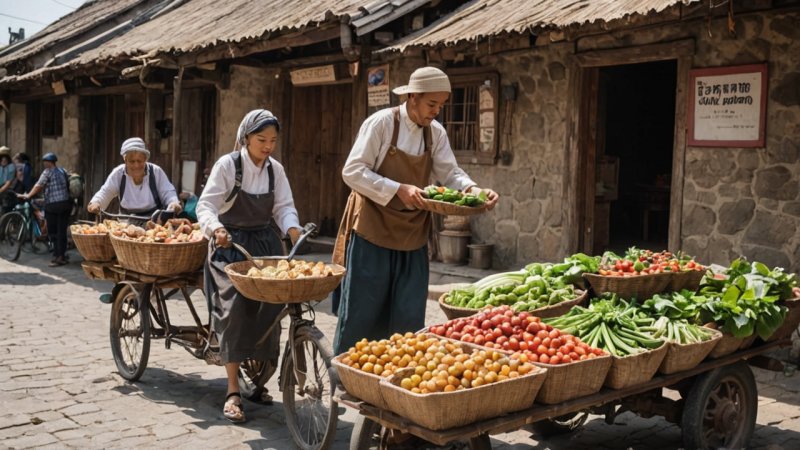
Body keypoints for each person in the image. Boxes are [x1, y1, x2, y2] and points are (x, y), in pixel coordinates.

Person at [332, 66, 499, 354]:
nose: (436, 111)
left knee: (408, 318)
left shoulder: (435, 133)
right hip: (373, 232)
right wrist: (398, 189)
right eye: (431, 104)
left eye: (441, 105)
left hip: (412, 235)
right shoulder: (382, 124)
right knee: (362, 313)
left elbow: (450, 173)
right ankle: (347, 379)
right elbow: (352, 171)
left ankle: (397, 382)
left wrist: (473, 190)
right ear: (412, 98)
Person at [197, 109, 303, 423]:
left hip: (264, 246)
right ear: (246, 138)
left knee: (272, 308)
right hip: (230, 246)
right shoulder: (229, 165)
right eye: (261, 140)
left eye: (272, 140)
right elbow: (206, 205)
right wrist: (215, 229)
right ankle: (232, 389)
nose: (268, 146)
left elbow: (284, 207)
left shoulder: (276, 170)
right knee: (235, 308)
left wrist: (292, 228)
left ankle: (259, 379)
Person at [87, 137, 182, 217]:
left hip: (153, 224)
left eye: (139, 161)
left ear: (145, 159)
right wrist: (96, 203)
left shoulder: (156, 172)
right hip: (125, 224)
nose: (136, 165)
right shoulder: (119, 174)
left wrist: (173, 203)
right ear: (125, 160)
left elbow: (168, 192)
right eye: (132, 161)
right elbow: (105, 192)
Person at [18, 153, 73, 266]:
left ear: (48, 162)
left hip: (53, 206)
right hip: (66, 204)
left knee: (53, 232)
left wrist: (28, 195)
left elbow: (39, 185)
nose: (44, 164)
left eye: (45, 162)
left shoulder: (47, 172)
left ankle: (59, 257)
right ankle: (61, 255)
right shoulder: (62, 171)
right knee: (61, 231)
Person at [0, 146, 17, 213]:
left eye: (5, 160)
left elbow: (8, 183)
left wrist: (0, 190)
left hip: (7, 191)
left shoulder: (11, 167)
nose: (3, 161)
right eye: (2, 160)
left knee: (4, 209)